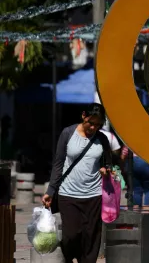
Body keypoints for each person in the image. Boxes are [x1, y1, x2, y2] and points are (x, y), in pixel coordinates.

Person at [42, 103, 113, 263]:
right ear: (83, 116)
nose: (94, 127)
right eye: (91, 123)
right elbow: (58, 163)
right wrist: (51, 190)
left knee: (91, 237)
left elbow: (108, 162)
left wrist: (106, 169)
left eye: (98, 124)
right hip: (68, 195)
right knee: (71, 235)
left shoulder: (102, 138)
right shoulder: (68, 133)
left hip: (93, 196)